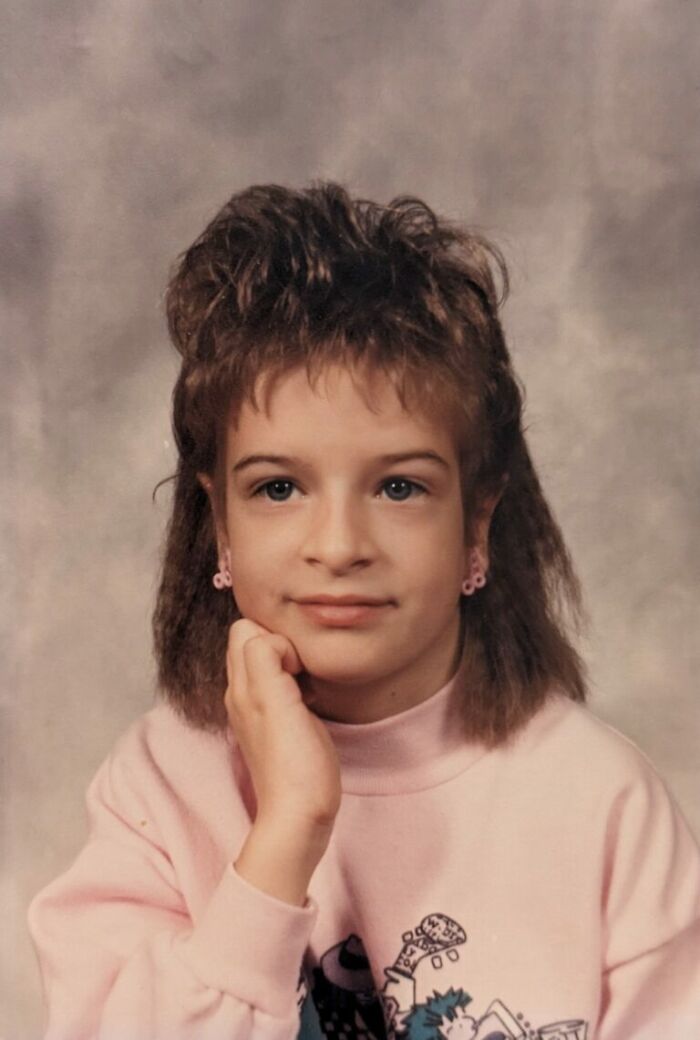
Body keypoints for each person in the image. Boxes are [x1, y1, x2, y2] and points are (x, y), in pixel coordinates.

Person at [28, 182, 700, 1040]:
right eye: (277, 487)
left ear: (477, 523)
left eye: (398, 486)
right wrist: (288, 831)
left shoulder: (606, 805)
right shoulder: (156, 792)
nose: (338, 544)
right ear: (219, 526)